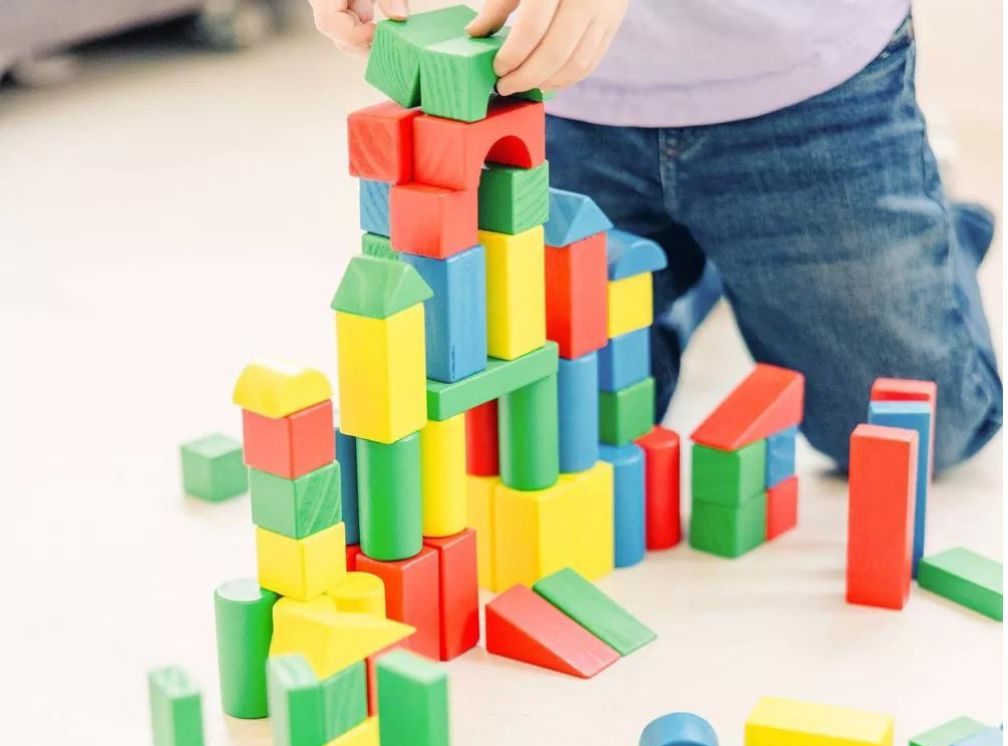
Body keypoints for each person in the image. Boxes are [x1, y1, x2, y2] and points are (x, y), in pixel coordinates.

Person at [311, 0, 1002, 471]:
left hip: (798, 74)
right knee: (535, 442)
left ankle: (935, 217)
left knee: (923, 435)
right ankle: (693, 272)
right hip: (549, 81)